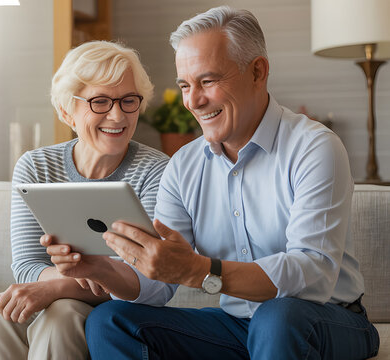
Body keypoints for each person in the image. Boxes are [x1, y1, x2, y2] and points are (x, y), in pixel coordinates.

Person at [46, 6, 380, 359]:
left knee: (277, 316)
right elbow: (157, 284)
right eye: (185, 85)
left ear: (258, 72)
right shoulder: (184, 166)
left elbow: (313, 275)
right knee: (110, 320)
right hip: (237, 324)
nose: (194, 101)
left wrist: (202, 270)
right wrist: (100, 269)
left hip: (326, 320)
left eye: (208, 81)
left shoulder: (314, 147)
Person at [0, 40, 170, 360]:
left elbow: (141, 275)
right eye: (100, 102)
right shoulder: (35, 166)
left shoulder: (157, 171)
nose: (117, 115)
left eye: (128, 100)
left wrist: (56, 287)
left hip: (114, 308)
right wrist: (56, 285)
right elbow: (26, 265)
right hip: (53, 294)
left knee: (63, 317)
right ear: (67, 111)